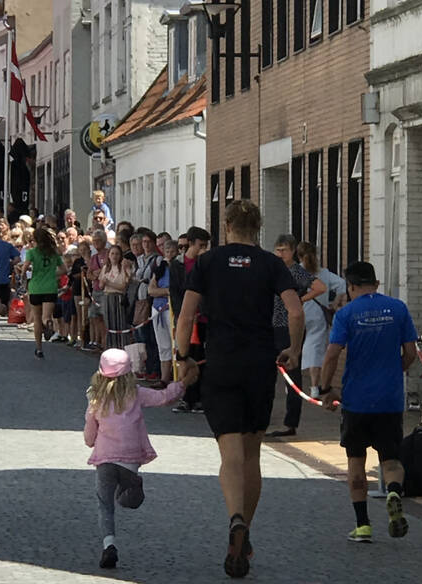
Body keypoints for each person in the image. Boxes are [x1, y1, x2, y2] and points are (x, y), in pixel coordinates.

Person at [176, 200, 304, 578]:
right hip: (260, 365)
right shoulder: (271, 264)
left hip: (222, 363)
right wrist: (293, 350)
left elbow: (186, 316)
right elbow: (295, 311)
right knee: (252, 454)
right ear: (258, 227)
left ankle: (234, 519)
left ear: (227, 224)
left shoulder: (207, 262)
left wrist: (183, 357)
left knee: (229, 453)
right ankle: (244, 530)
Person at [319, 261, 417, 543]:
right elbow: (410, 351)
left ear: (350, 287)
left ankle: (362, 525)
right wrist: (395, 370)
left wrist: (326, 389)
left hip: (356, 400)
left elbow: (332, 355)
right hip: (390, 398)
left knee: (356, 460)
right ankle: (395, 491)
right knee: (391, 457)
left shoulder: (346, 314)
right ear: (376, 283)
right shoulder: (398, 308)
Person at [84, 348, 195, 568]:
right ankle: (133, 486)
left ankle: (109, 545)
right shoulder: (136, 393)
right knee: (129, 500)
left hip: (105, 458)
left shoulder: (96, 399)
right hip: (130, 458)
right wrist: (182, 384)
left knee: (105, 505)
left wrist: (90, 441)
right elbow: (163, 397)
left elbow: (89, 433)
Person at [266, 234, 326, 437]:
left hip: (288, 326)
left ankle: (290, 423)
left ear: (293, 251)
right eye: (278, 250)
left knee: (292, 372)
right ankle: (262, 420)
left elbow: (320, 287)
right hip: (269, 325)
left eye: (284, 250)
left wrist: (301, 299)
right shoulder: (273, 268)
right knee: (266, 375)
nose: (280, 254)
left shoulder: (296, 271)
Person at [169, 226, 211, 412]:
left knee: (202, 359)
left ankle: (201, 397)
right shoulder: (177, 265)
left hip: (204, 320)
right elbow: (175, 293)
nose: (204, 249)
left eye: (206, 245)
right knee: (185, 357)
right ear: (191, 244)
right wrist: (183, 315)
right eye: (201, 245)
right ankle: (186, 397)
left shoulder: (207, 264)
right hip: (186, 320)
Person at [297, 241, 347, 396]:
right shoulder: (324, 273)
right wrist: (336, 302)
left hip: (298, 313)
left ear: (298, 255)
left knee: (293, 345)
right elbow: (342, 285)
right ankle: (314, 386)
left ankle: (290, 384)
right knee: (315, 347)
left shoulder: (295, 271)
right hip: (318, 314)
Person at [21, 227, 65, 359]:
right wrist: (53, 274)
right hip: (50, 287)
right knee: (46, 316)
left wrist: (23, 274)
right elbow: (64, 269)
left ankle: (39, 348)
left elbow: (25, 267)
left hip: (35, 287)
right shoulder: (53, 253)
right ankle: (49, 323)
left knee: (37, 318)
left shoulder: (32, 252)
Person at [148, 240, 179, 387]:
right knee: (163, 345)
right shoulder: (160, 268)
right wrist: (166, 292)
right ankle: (164, 379)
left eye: (172, 251)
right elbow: (151, 290)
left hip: (172, 309)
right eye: (167, 251)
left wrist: (167, 292)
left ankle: (178, 378)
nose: (170, 254)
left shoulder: (179, 268)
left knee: (176, 344)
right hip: (158, 309)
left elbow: (177, 290)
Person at [134, 230, 163, 381]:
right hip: (140, 300)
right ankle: (146, 367)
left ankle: (155, 369)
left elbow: (155, 278)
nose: (145, 245)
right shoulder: (140, 260)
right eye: (143, 242)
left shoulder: (157, 260)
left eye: (148, 242)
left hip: (150, 300)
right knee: (141, 337)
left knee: (151, 337)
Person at [99, 245, 132, 349]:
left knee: (119, 323)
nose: (114, 256)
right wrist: (104, 283)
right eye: (112, 253)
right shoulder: (106, 268)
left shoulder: (123, 268)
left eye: (117, 254)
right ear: (108, 255)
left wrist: (109, 283)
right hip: (108, 297)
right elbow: (101, 285)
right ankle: (111, 346)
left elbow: (123, 286)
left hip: (118, 298)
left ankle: (121, 346)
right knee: (109, 324)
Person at [88, 230, 109, 351]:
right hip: (95, 290)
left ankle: (105, 343)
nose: (96, 243)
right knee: (95, 316)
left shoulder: (108, 254)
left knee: (105, 317)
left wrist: (99, 273)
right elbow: (89, 274)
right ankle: (100, 341)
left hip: (105, 291)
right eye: (94, 241)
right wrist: (95, 275)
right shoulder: (94, 257)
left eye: (98, 241)